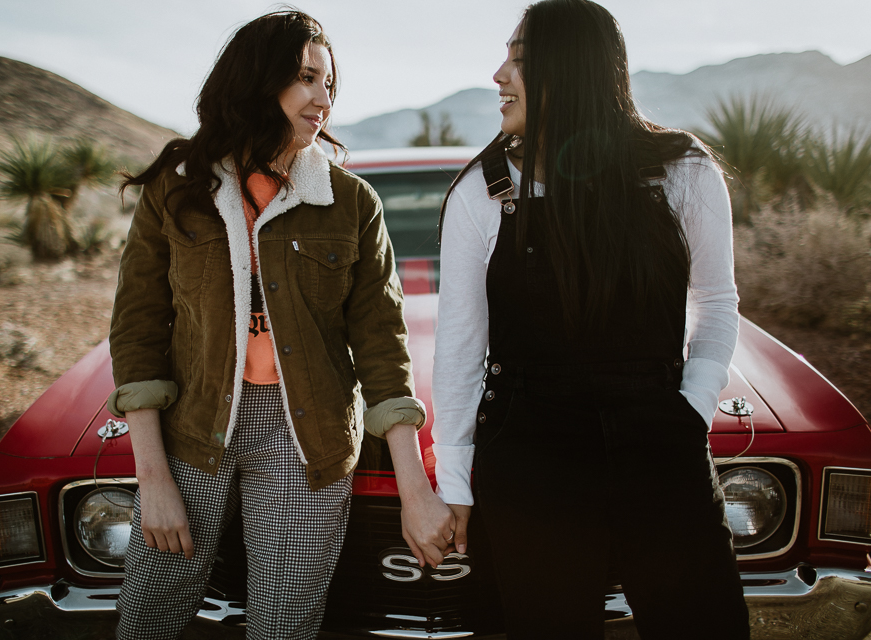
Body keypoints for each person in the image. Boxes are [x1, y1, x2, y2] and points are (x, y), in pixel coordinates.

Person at [106, 10, 454, 640]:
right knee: (149, 619)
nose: (324, 99)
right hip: (192, 430)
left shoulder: (349, 202)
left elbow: (382, 344)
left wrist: (416, 488)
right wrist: (151, 479)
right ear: (257, 81)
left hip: (308, 441)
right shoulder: (175, 191)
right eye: (306, 79)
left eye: (329, 84)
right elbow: (137, 331)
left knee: (284, 629)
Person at [431, 1, 750, 638]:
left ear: (571, 67)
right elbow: (461, 347)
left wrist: (692, 406)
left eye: (519, 59)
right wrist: (457, 481)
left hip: (659, 443)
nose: (499, 74)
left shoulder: (682, 170)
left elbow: (717, 305)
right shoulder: (482, 190)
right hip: (529, 458)